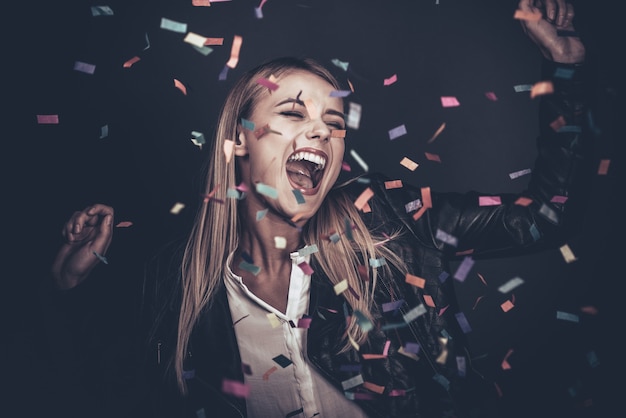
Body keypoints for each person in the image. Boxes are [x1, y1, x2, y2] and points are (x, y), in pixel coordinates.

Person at [46, 0, 588, 416]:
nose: (320, 133)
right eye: (292, 113)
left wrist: (563, 73)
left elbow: (543, 218)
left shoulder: (390, 221)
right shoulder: (178, 285)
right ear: (238, 141)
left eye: (333, 124)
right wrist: (69, 285)